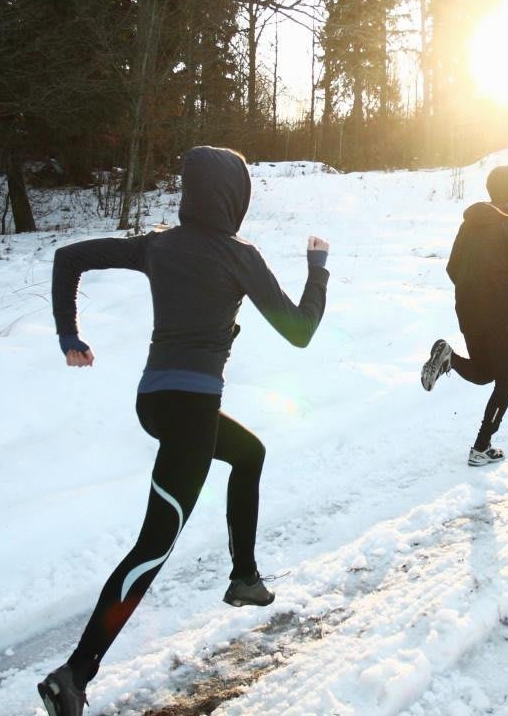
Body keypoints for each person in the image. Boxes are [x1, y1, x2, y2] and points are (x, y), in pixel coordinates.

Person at [38, 146, 330, 716]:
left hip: (154, 401)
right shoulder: (239, 255)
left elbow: (68, 257)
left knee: (249, 453)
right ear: (232, 196)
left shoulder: (160, 243)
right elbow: (299, 331)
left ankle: (244, 576)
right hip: (192, 412)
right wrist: (317, 271)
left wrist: (68, 335)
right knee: (152, 548)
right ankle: (72, 675)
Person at [420, 163, 508, 466]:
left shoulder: (469, 224)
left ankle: (449, 357)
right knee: (504, 381)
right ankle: (481, 447)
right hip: (499, 316)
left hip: (467, 310)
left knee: (485, 373)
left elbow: (452, 268)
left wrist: (474, 290)